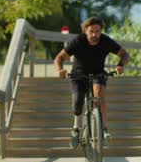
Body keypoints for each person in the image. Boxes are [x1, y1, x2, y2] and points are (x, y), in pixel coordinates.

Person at [54, 17, 130, 148]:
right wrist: (60, 69)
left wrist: (121, 64)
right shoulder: (78, 41)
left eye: (98, 31)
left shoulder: (106, 41)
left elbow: (124, 54)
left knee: (99, 93)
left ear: (101, 31)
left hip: (98, 74)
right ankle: (76, 128)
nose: (95, 35)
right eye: (91, 31)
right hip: (78, 75)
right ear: (85, 31)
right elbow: (59, 58)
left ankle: (104, 130)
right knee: (77, 101)